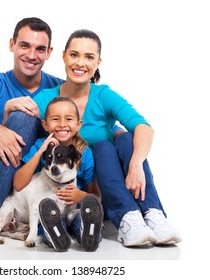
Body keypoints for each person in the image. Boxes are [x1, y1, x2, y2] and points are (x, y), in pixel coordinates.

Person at [0, 17, 122, 243]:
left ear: (49, 53)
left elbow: (84, 121)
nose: (31, 55)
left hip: (36, 182)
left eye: (39, 49)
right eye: (24, 45)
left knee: (23, 116)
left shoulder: (57, 90)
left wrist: (121, 135)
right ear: (12, 45)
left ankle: (4, 214)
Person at [31, 29, 182, 247]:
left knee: (124, 139)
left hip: (111, 185)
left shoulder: (103, 95)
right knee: (103, 145)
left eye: (89, 57)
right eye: (74, 55)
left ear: (98, 62)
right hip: (73, 191)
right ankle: (125, 219)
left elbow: (144, 126)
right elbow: (24, 118)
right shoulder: (46, 99)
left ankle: (152, 214)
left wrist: (136, 164)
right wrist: (11, 107)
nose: (80, 63)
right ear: (63, 56)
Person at [13, 96, 103, 252]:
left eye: (68, 119)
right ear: (45, 124)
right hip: (51, 211)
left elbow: (96, 195)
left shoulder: (85, 153)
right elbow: (18, 184)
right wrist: (41, 151)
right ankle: (55, 235)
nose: (62, 124)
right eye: (55, 119)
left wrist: (81, 195)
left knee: (79, 218)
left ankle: (88, 234)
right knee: (49, 219)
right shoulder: (41, 146)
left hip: (72, 209)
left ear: (78, 124)